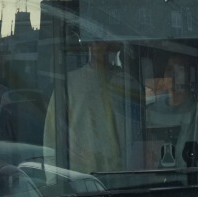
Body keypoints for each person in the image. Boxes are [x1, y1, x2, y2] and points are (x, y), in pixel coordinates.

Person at [44, 40, 144, 175]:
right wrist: (53, 185)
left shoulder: (129, 84)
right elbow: (52, 142)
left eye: (104, 41)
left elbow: (141, 138)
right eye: (95, 41)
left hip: (125, 180)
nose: (101, 46)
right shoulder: (67, 85)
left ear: (115, 45)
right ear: (88, 44)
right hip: (82, 183)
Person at [146, 53, 198, 167]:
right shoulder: (151, 109)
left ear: (190, 76)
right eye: (169, 70)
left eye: (180, 70)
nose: (172, 75)